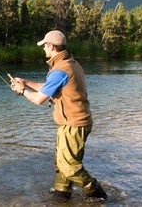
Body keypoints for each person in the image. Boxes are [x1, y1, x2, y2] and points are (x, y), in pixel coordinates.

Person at [9, 30, 107, 201]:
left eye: (45, 46)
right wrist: (27, 82)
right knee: (61, 161)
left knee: (69, 166)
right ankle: (62, 192)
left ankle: (97, 194)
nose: (43, 49)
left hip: (74, 123)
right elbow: (50, 87)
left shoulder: (60, 70)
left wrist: (22, 90)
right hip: (72, 122)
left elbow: (39, 99)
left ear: (52, 46)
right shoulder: (70, 63)